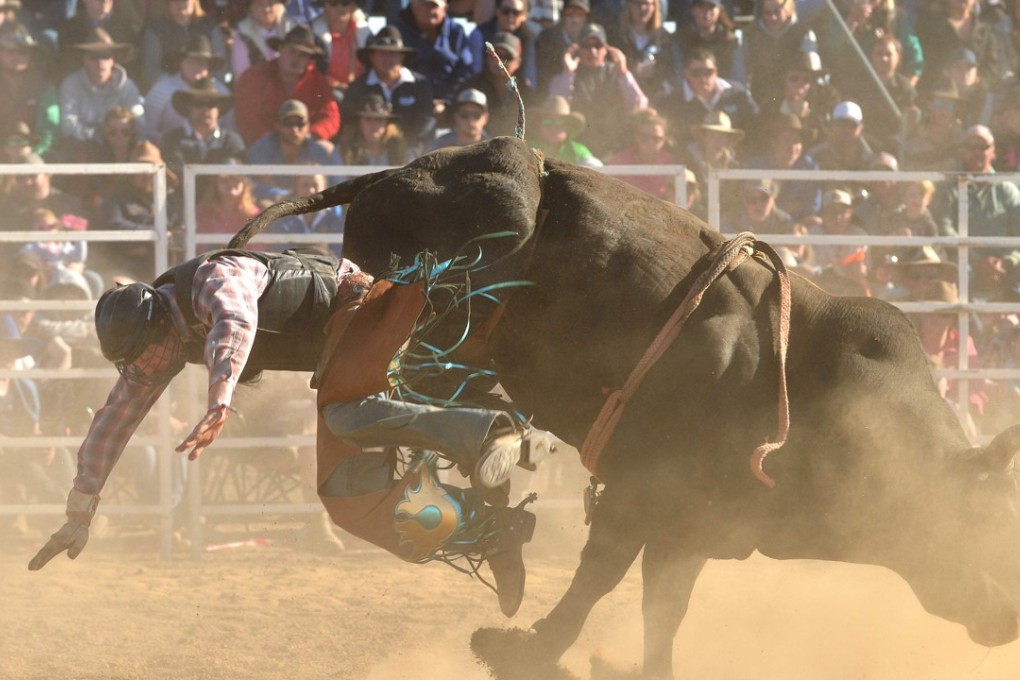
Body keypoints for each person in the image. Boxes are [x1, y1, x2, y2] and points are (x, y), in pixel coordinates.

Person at [28, 250, 553, 618]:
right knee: (348, 498)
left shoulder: (215, 277)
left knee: (346, 415)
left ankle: (494, 430)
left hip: (366, 306)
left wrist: (220, 397)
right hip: (341, 349)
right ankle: (487, 530)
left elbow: (236, 321)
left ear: (157, 327)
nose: (143, 368)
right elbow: (114, 419)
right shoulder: (163, 339)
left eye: (142, 354)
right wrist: (80, 510)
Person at [312, 263, 554, 617]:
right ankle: (494, 521)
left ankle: (491, 480)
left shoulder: (366, 311)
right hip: (366, 414)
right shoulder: (380, 311)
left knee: (349, 427)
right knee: (367, 491)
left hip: (358, 416)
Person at [931, 124, 1020, 300]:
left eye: (982, 146)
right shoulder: (948, 188)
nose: (976, 151)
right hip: (965, 263)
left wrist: (1008, 261)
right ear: (962, 151)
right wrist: (976, 260)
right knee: (960, 270)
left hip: (1006, 267)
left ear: (993, 152)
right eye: (970, 146)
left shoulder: (1008, 190)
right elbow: (945, 229)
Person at [548, 22, 648, 157]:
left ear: (606, 48)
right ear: (578, 48)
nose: (592, 51)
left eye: (597, 46)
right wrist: (568, 73)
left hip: (615, 148)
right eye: (586, 46)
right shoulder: (570, 73)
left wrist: (623, 72)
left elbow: (639, 106)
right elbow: (555, 107)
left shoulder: (618, 72)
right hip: (578, 149)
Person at [233, 24, 340, 145]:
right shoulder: (255, 76)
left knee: (325, 148)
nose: (296, 59)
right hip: (264, 145)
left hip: (306, 144)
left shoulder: (318, 82)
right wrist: (273, 138)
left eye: (303, 55)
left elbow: (331, 118)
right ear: (280, 49)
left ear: (309, 59)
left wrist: (310, 135)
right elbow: (245, 116)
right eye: (292, 51)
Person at [341, 26, 436, 152]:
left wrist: (405, 150)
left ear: (402, 56)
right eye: (382, 53)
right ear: (372, 56)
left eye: (392, 53)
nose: (387, 58)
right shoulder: (357, 88)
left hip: (412, 153)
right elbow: (350, 123)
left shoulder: (420, 85)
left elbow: (426, 122)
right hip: (367, 155)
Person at [654, 47, 757, 152]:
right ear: (687, 74)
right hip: (689, 163)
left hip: (736, 162)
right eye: (696, 73)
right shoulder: (673, 101)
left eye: (708, 72)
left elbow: (753, 125)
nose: (703, 78)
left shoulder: (737, 94)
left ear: (716, 72)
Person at [58, 26, 145, 150]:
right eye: (94, 57)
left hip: (121, 149)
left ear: (113, 60)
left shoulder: (128, 86)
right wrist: (98, 137)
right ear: (84, 60)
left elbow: (139, 122)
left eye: (105, 56)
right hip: (85, 149)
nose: (100, 62)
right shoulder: (71, 84)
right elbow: (67, 125)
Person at [143, 33, 230, 144]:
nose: (197, 66)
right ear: (181, 63)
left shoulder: (222, 93)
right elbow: (148, 129)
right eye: (192, 61)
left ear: (209, 67)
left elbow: (229, 130)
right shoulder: (161, 90)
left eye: (202, 62)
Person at [246, 98, 336, 200]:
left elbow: (332, 185)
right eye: (288, 123)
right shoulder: (261, 149)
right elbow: (251, 184)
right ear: (278, 126)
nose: (294, 129)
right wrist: (279, 194)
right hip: (273, 204)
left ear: (308, 126)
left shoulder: (319, 151)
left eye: (299, 123)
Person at [392, 0, 475, 110]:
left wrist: (446, 102)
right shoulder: (396, 32)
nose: (428, 10)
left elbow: (464, 73)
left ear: (444, 9)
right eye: (423, 3)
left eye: (433, 5)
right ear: (413, 5)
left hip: (449, 108)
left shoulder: (456, 33)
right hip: (406, 105)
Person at [159, 76, 245, 180]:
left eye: (211, 104)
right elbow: (175, 177)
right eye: (199, 104)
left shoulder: (231, 141)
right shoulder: (172, 140)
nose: (205, 109)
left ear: (219, 109)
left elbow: (236, 179)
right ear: (188, 107)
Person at [458, 31, 534, 138]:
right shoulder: (471, 86)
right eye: (496, 56)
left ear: (518, 63)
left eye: (507, 56)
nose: (500, 61)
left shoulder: (526, 93)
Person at [743, 0, 815, 112]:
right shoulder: (751, 35)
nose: (773, 18)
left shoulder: (804, 34)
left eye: (777, 12)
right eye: (768, 13)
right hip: (760, 100)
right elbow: (743, 73)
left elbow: (811, 73)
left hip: (794, 100)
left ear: (788, 11)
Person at [0, 23, 59, 159]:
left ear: (30, 56)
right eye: (10, 51)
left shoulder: (44, 88)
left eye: (22, 52)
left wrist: (31, 156)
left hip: (34, 155)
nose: (16, 56)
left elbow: (49, 131)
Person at [139, 0, 226, 90]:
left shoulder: (209, 26)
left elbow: (221, 66)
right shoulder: (156, 30)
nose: (180, 4)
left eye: (184, 0)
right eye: (175, 1)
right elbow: (151, 68)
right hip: (169, 91)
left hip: (206, 88)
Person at [606, 108, 679, 202]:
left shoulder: (670, 161)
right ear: (637, 138)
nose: (650, 142)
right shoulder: (621, 159)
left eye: (656, 138)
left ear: (664, 140)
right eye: (645, 137)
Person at [468, 0, 538, 91]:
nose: (510, 16)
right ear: (497, 11)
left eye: (516, 12)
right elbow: (474, 72)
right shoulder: (479, 34)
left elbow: (530, 76)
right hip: (483, 88)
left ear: (524, 16)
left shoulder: (528, 38)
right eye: (505, 11)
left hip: (513, 91)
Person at [269, 173, 344, 255]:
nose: (310, 190)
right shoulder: (284, 215)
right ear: (296, 188)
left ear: (324, 187)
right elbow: (280, 250)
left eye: (315, 185)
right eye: (305, 185)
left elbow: (338, 250)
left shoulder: (334, 213)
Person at [309, 0, 371, 97]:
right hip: (324, 91)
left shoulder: (367, 36)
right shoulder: (312, 36)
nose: (340, 8)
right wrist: (333, 84)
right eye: (333, 3)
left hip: (361, 91)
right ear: (325, 8)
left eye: (345, 3)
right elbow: (310, 70)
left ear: (353, 7)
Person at [338, 93, 413, 166]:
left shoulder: (403, 152)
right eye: (368, 119)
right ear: (358, 124)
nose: (373, 125)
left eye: (379, 119)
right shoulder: (343, 151)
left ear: (387, 125)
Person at [229, 0, 295, 81]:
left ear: (280, 6)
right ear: (252, 8)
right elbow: (241, 73)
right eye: (260, 4)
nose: (266, 9)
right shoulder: (243, 32)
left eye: (270, 3)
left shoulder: (293, 30)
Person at [534, 0, 589, 96]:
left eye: (580, 14)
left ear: (587, 18)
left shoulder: (594, 41)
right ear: (562, 16)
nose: (574, 20)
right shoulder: (546, 39)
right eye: (569, 13)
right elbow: (543, 79)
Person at [531, 94, 601, 166]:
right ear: (538, 125)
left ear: (568, 126)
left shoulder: (579, 152)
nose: (554, 128)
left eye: (560, 122)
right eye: (548, 121)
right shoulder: (528, 149)